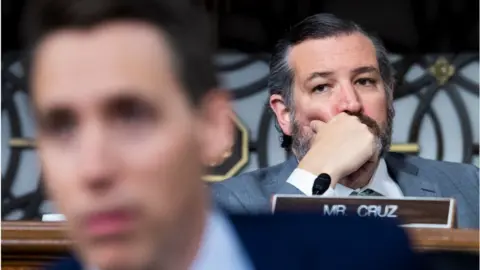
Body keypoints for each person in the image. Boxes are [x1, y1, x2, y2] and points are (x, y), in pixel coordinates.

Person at [23, 0, 426, 269]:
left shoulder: (375, 252)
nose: (93, 168)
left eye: (132, 117)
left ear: (215, 126)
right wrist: (314, 174)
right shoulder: (236, 197)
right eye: (62, 127)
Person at [211, 13, 479, 229]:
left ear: (388, 97)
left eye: (365, 81)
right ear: (284, 114)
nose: (351, 104)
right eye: (322, 87)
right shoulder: (229, 205)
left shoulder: (469, 186)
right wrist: (313, 177)